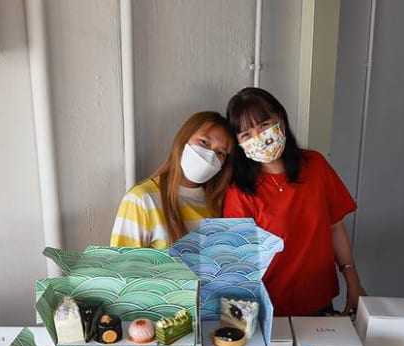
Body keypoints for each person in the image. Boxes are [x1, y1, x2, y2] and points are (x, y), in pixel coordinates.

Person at [224, 87, 365, 316]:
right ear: (238, 143)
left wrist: (352, 279)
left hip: (320, 302)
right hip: (269, 310)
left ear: (281, 120)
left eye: (264, 125)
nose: (259, 138)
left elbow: (335, 226)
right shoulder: (240, 191)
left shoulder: (315, 165)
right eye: (246, 134)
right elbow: (239, 264)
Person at [111, 111, 235, 249]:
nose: (211, 155)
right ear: (184, 139)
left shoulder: (218, 203)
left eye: (220, 152)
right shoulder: (142, 199)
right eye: (204, 142)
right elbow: (122, 261)